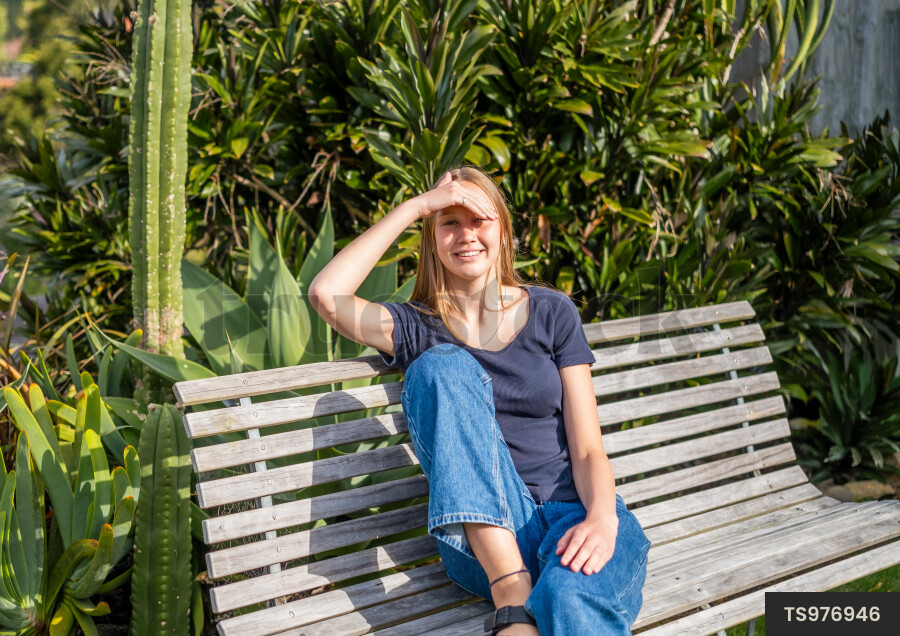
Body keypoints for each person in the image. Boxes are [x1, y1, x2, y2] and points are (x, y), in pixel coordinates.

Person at [308, 165, 650, 635]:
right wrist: (417, 206)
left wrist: (602, 519)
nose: (466, 234)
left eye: (479, 220)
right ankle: (511, 594)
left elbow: (589, 449)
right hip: (485, 543)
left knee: (567, 596)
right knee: (440, 365)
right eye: (449, 222)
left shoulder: (551, 312)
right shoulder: (416, 327)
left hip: (575, 514)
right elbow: (326, 295)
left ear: (503, 231)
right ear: (432, 238)